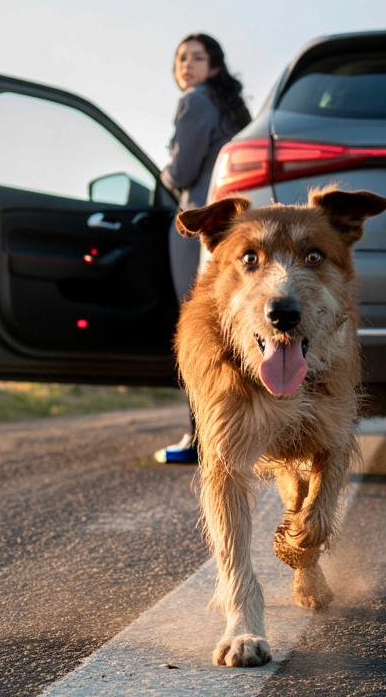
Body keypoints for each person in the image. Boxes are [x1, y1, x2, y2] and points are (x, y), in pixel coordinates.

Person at [154, 32, 251, 464]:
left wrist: (162, 175)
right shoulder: (232, 107)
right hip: (236, 225)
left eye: (196, 57)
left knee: (198, 328)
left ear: (214, 66)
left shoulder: (194, 101)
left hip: (198, 226)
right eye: (181, 58)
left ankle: (201, 436)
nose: (186, 65)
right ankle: (236, 432)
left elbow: (180, 171)